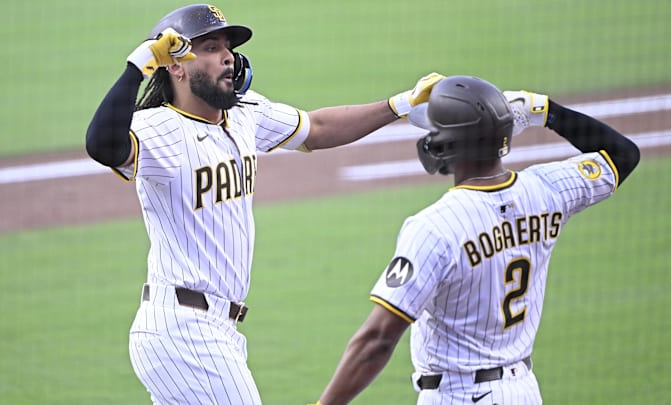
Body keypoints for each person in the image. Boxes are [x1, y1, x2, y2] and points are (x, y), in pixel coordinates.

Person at [84, 4, 444, 404]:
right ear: (176, 66)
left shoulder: (244, 113)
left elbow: (317, 129)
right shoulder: (159, 129)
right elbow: (102, 145)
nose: (227, 56)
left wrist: (400, 104)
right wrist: (141, 62)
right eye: (210, 46)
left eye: (228, 46)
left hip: (218, 331)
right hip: (182, 330)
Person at [308, 75, 640, 405]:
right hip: (523, 391)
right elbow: (623, 155)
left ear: (447, 144)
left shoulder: (434, 227)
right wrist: (546, 111)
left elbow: (377, 340)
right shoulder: (548, 190)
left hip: (459, 395)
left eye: (434, 130)